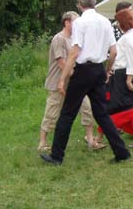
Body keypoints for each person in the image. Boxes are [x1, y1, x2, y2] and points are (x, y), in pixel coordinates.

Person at [41, 0, 131, 165]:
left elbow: (74, 52)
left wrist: (62, 79)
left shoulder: (80, 23)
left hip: (83, 71)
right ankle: (121, 152)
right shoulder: (105, 22)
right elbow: (113, 52)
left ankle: (57, 156)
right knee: (102, 114)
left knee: (67, 114)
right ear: (94, 2)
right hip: (98, 69)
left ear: (79, 5)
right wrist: (107, 71)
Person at [38, 11, 104, 152]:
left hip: (75, 83)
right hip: (58, 83)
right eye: (75, 21)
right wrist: (79, 76)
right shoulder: (59, 39)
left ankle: (90, 139)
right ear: (67, 22)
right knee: (52, 111)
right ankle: (42, 142)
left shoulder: (75, 38)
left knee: (87, 108)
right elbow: (62, 63)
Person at [101, 8, 133, 148]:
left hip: (123, 76)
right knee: (128, 106)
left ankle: (100, 135)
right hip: (121, 74)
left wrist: (129, 79)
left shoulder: (128, 37)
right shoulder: (130, 35)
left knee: (120, 106)